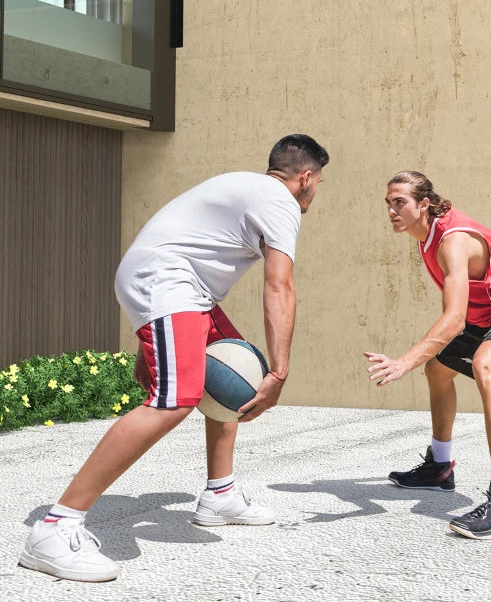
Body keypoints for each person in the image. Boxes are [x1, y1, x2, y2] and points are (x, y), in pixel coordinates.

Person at [19, 134, 329, 582]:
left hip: (179, 284)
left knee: (232, 366)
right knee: (175, 399)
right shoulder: (280, 202)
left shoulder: (249, 187)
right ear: (306, 177)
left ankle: (219, 494)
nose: (314, 192)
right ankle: (55, 528)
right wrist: (280, 371)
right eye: (317, 183)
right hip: (166, 279)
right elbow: (279, 286)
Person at [365, 171, 491, 540]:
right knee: (437, 369)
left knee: (486, 366)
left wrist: (404, 361)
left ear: (423, 204)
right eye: (388, 202)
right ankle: (439, 468)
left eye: (399, 202)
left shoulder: (451, 241)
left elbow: (452, 320)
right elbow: (459, 314)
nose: (391, 210)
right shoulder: (426, 236)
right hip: (485, 316)